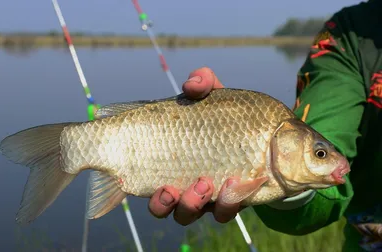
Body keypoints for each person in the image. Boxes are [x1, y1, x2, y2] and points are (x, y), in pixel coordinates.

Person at [148, 1, 382, 251]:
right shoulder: (350, 33)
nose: (332, 160)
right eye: (320, 154)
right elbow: (330, 141)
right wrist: (287, 190)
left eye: (320, 154)